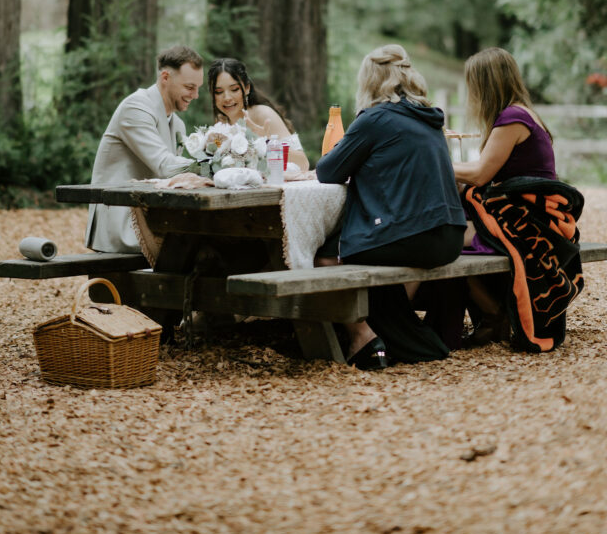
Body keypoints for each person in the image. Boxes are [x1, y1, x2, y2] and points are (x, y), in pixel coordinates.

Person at [315, 45, 466, 370]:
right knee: (368, 248)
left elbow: (327, 171)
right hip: (450, 235)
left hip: (416, 235)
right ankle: (405, 335)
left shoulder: (376, 118)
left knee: (327, 254)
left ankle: (363, 336)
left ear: (369, 81)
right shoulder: (429, 118)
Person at [452, 47, 557, 345]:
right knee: (447, 236)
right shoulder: (521, 112)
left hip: (529, 220)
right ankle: (490, 315)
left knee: (443, 240)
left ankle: (493, 313)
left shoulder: (511, 118)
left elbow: (481, 174)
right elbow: (481, 168)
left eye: (473, 86)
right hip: (527, 212)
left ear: (485, 85)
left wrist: (436, 166)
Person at [85, 45, 203, 254]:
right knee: (201, 245)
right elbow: (164, 166)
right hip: (121, 218)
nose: (195, 95)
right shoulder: (136, 107)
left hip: (152, 216)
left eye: (198, 88)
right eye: (189, 87)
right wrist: (216, 164)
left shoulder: (177, 124)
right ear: (165, 77)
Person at [207, 57, 309, 171]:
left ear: (246, 88)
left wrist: (267, 142)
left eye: (234, 89)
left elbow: (303, 163)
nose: (227, 98)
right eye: (219, 92)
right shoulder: (221, 121)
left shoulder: (263, 114)